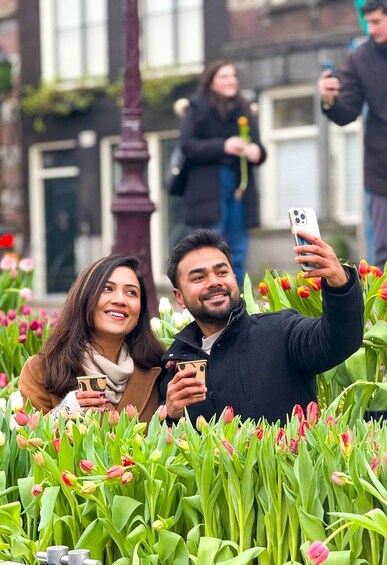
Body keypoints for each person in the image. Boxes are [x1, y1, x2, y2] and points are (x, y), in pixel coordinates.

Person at [159, 229, 364, 424]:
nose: (214, 282)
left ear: (234, 278)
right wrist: (171, 415)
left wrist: (340, 284)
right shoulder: (174, 367)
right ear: (179, 297)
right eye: (199, 277)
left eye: (222, 272)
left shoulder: (281, 331)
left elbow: (338, 341)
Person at [319, 0, 387, 269]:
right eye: (367, 22)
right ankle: (382, 311)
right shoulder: (360, 57)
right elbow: (346, 113)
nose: (370, 29)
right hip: (383, 164)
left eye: (376, 21)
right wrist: (330, 100)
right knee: (384, 249)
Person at [19, 255, 165, 420]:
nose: (120, 300)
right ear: (85, 299)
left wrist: (173, 413)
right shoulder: (43, 370)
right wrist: (67, 410)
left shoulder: (157, 368)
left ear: (140, 311)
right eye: (107, 289)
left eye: (131, 292)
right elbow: (26, 439)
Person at [178, 59, 267, 285]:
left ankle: (237, 300)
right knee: (212, 246)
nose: (231, 81)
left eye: (234, 76)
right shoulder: (197, 107)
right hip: (209, 190)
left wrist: (257, 150)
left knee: (238, 247)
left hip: (238, 188)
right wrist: (224, 146)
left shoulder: (244, 107)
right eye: (224, 76)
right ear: (211, 82)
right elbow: (187, 146)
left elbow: (258, 147)